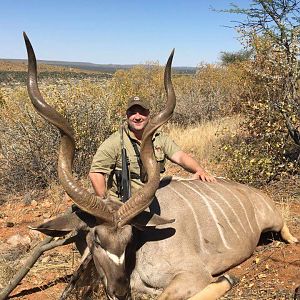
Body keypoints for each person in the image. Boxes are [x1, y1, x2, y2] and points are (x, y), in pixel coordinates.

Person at [89, 96, 216, 200]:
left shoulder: (159, 137)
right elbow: (95, 173)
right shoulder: (115, 141)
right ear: (127, 115)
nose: (137, 117)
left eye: (142, 112)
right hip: (123, 205)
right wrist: (106, 205)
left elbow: (180, 157)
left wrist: (199, 170)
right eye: (133, 113)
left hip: (152, 198)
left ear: (149, 114)